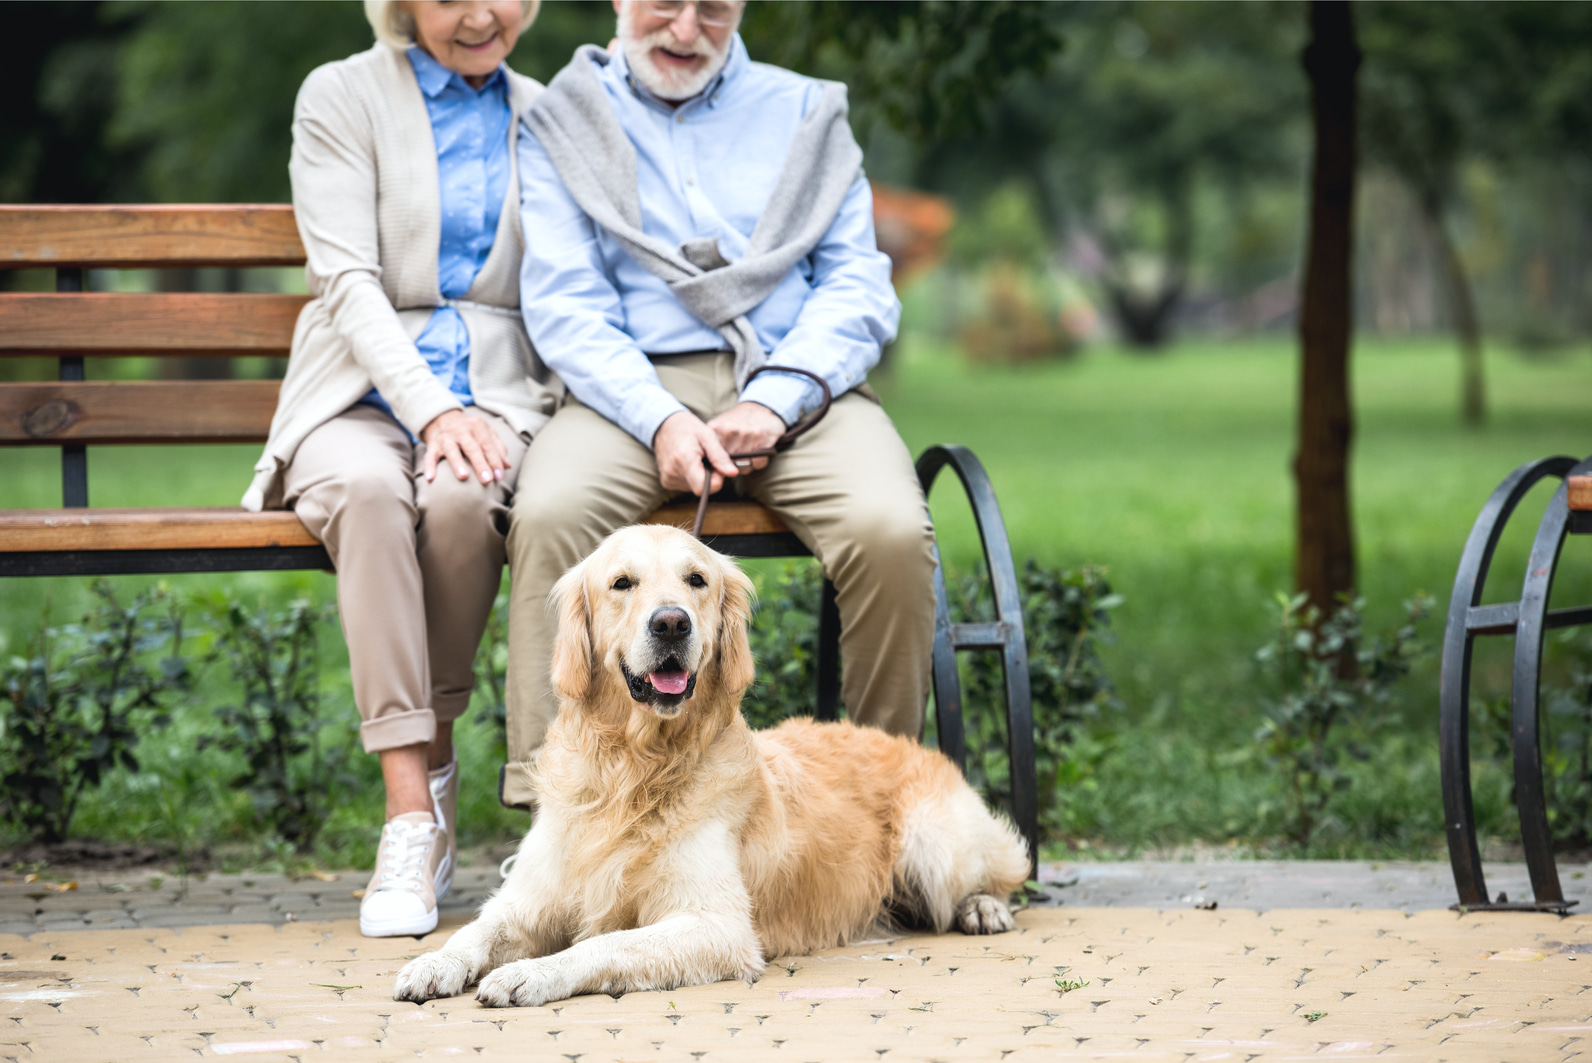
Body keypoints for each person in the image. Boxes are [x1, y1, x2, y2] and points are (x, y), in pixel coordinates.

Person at [500, 0, 937, 808]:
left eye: (714, 8)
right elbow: (565, 301)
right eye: (665, 3)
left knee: (890, 529)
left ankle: (888, 808)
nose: (687, 29)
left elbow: (856, 284)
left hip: (795, 382)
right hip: (627, 389)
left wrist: (777, 400)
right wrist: (658, 417)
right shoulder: (564, 120)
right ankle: (553, 806)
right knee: (553, 511)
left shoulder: (806, 113)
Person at [242, 0, 561, 937]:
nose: (478, 14)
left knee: (465, 498)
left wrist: (468, 417)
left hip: (498, 395)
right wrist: (432, 409)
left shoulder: (548, 113)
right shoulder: (340, 95)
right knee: (373, 492)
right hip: (355, 391)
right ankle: (410, 809)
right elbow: (343, 280)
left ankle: (433, 755)